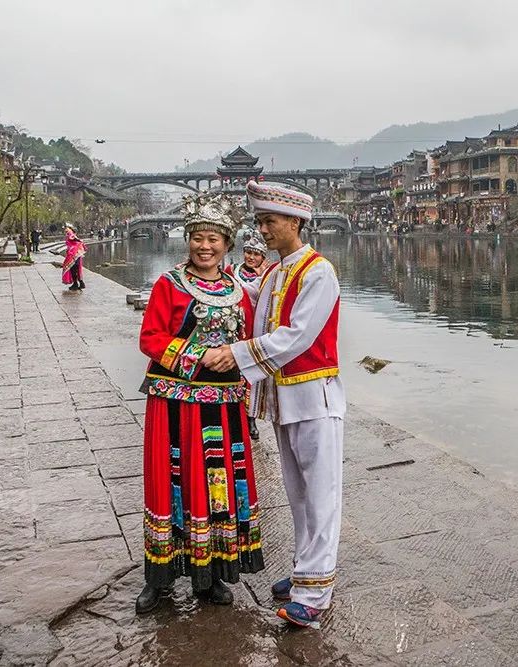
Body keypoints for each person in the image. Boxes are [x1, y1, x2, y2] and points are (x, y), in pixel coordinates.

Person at [203, 181, 345, 629]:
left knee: (321, 494)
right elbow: (254, 318)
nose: (262, 230)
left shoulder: (318, 272)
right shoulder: (273, 273)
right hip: (284, 401)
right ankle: (306, 570)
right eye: (260, 222)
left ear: (295, 222)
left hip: (314, 396)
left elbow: (297, 336)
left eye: (270, 222)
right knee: (298, 494)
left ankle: (316, 591)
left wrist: (237, 355)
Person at [136, 193, 265, 615]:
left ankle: (209, 576)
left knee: (215, 485)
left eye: (213, 239)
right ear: (187, 241)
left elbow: (249, 342)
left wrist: (242, 362)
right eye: (197, 239)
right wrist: (199, 356)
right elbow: (150, 339)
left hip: (222, 407)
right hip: (175, 403)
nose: (204, 247)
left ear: (228, 244)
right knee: (172, 482)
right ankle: (160, 575)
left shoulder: (239, 292)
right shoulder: (168, 284)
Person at [224, 235, 270, 441]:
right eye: (248, 253)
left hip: (255, 327)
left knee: (252, 374)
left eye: (256, 254)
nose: (251, 257)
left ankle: (251, 417)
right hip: (233, 326)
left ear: (263, 257)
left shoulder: (269, 275)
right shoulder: (231, 271)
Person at [61, 224, 86, 291]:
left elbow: (73, 238)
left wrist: (77, 240)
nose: (65, 230)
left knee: (73, 269)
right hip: (76, 253)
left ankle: (76, 284)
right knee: (76, 269)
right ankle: (80, 283)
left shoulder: (71, 234)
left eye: (67, 229)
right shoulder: (72, 235)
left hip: (73, 254)